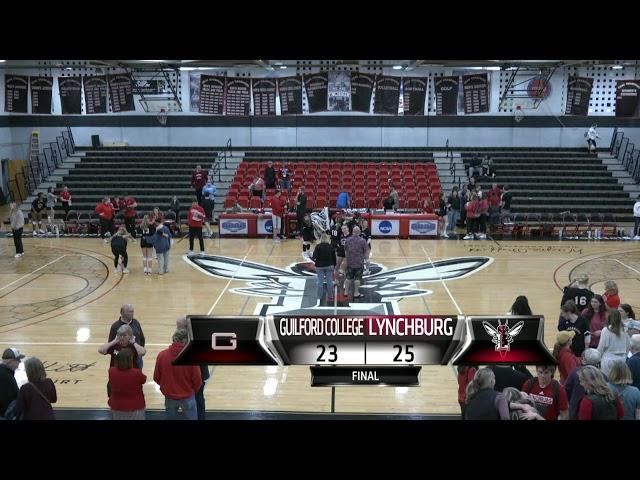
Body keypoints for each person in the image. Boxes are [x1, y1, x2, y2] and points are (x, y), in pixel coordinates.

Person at [154, 329, 202, 420]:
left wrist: (167, 389)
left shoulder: (162, 355)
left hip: (170, 396)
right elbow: (197, 381)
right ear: (185, 341)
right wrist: (190, 391)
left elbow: (156, 377)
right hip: (187, 397)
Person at [176, 316, 210, 420]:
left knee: (198, 400)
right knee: (188, 400)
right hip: (186, 375)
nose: (177, 329)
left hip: (198, 375)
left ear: (186, 326)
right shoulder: (179, 335)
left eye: (179, 327)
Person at [108, 348, 146, 420]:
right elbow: (143, 379)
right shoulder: (136, 373)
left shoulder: (111, 371)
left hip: (117, 405)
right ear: (130, 360)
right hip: (135, 406)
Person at [564, 348, 602, 419]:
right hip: (597, 413)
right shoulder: (602, 375)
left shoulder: (575, 372)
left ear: (584, 360)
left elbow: (566, 390)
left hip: (575, 411)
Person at [108, 304, 146, 369]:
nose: (132, 313)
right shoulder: (115, 326)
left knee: (137, 374)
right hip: (121, 359)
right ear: (122, 313)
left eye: (132, 311)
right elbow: (110, 343)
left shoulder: (136, 322)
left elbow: (142, 339)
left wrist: (138, 350)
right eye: (129, 312)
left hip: (136, 357)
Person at [598, 309, 631, 377]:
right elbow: (628, 346)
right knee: (619, 380)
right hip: (622, 359)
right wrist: (624, 356)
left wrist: (598, 358)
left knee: (607, 381)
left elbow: (601, 348)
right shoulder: (625, 330)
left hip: (608, 359)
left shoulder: (606, 330)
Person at [311, 233, 336, 306]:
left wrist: (316, 261)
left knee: (320, 281)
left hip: (319, 266)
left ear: (320, 239)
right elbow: (334, 257)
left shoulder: (318, 246)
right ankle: (331, 296)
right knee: (330, 281)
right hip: (329, 266)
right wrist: (334, 265)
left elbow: (314, 257)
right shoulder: (331, 246)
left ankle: (319, 296)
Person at [343, 225, 367, 300]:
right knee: (357, 278)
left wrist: (347, 258)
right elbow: (365, 251)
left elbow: (345, 250)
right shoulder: (363, 241)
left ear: (352, 232)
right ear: (359, 232)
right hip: (359, 263)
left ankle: (346, 292)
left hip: (350, 262)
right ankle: (356, 293)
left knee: (348, 277)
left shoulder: (348, 240)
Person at [0, 348, 24, 418]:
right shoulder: (5, 376)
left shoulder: (6, 372)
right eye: (18, 360)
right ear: (10, 361)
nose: (20, 362)